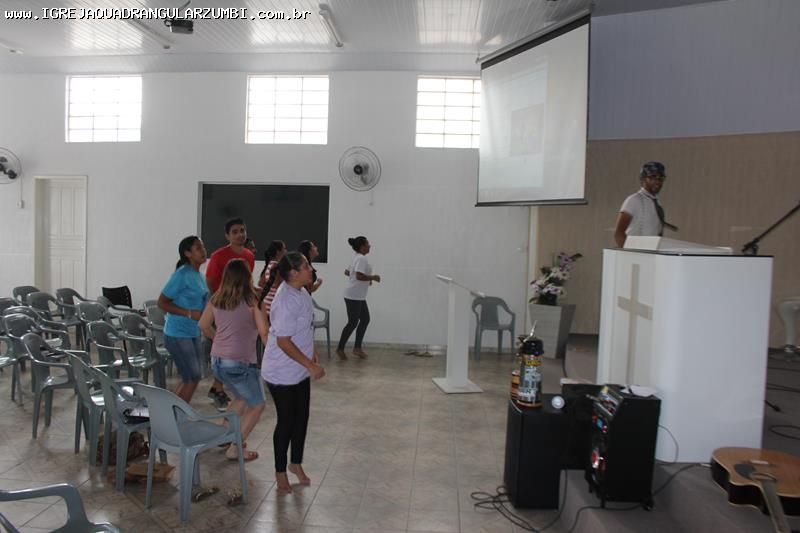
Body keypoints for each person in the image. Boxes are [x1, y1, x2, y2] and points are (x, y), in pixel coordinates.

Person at [260, 252, 326, 493]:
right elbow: (283, 342)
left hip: (298, 367)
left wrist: (312, 350)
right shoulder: (285, 300)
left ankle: (295, 463)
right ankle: (280, 472)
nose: (311, 269)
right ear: (294, 273)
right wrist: (310, 365)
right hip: (281, 371)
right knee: (286, 421)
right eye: (306, 266)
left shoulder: (302, 292)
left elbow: (305, 327)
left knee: (301, 418)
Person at [199, 259, 268, 461]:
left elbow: (203, 325)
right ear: (247, 276)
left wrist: (219, 340)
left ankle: (223, 436)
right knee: (257, 405)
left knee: (241, 398)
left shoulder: (217, 298)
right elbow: (264, 332)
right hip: (239, 362)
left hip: (218, 361)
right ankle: (235, 448)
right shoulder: (252, 300)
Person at [204, 217, 255, 411]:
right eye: (235, 232)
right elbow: (210, 281)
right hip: (223, 307)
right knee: (227, 348)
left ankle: (218, 387)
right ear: (227, 236)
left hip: (241, 309)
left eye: (242, 230)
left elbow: (246, 281)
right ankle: (222, 388)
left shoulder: (249, 255)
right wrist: (221, 301)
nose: (240, 235)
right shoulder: (218, 256)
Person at [157, 236, 209, 404]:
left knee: (192, 377)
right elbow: (162, 302)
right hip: (177, 333)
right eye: (198, 248)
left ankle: (174, 411)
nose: (203, 251)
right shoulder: (181, 275)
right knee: (192, 376)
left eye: (202, 247)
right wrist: (188, 313)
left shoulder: (199, 276)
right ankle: (176, 414)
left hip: (193, 331)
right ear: (187, 253)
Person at [614, 161, 677, 248]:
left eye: (661, 178)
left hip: (650, 253)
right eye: (652, 177)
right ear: (643, 179)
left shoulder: (658, 203)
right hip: (635, 253)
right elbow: (619, 234)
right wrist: (628, 254)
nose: (657, 181)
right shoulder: (634, 200)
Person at [336, 236, 380, 361]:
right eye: (367, 244)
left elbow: (347, 272)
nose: (370, 246)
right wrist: (372, 277)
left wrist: (366, 280)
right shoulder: (361, 258)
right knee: (353, 322)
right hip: (353, 296)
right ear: (362, 246)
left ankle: (357, 348)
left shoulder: (357, 257)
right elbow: (359, 276)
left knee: (365, 319)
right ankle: (340, 348)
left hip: (358, 296)